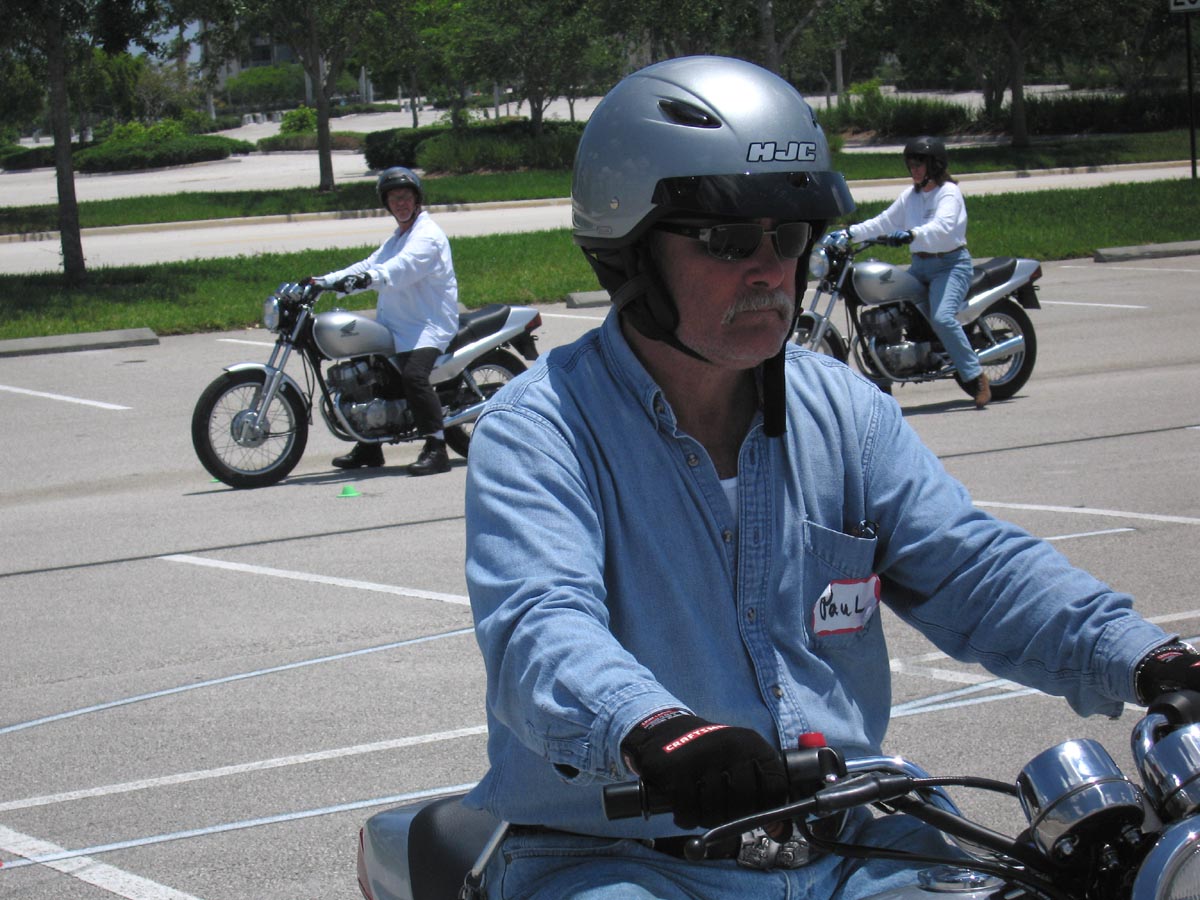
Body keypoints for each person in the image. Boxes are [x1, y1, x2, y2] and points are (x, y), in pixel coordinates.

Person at [461, 56, 1188, 900]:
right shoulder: (541, 430)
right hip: (624, 857)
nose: (770, 269)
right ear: (628, 250)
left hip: (850, 841)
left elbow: (973, 570)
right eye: (730, 240)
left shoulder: (844, 410)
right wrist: (658, 731)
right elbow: (540, 628)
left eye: (791, 235)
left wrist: (1150, 659)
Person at [312, 166, 458, 476]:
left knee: (413, 377)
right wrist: (323, 282)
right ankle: (370, 446)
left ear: (416, 198)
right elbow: (369, 264)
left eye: (405, 197)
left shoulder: (427, 236)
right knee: (368, 371)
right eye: (394, 199)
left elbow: (399, 269)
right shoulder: (398, 238)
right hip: (396, 326)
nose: (400, 203)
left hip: (427, 326)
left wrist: (368, 279)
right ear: (387, 204)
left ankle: (436, 447)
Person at [840, 136, 990, 408]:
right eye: (911, 164)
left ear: (935, 164)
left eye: (919, 164)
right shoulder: (911, 196)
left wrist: (912, 234)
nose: (914, 169)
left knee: (942, 318)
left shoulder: (949, 193)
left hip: (950, 265)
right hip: (920, 266)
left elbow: (943, 226)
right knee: (890, 309)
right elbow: (883, 221)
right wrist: (848, 233)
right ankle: (883, 382)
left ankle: (975, 376)